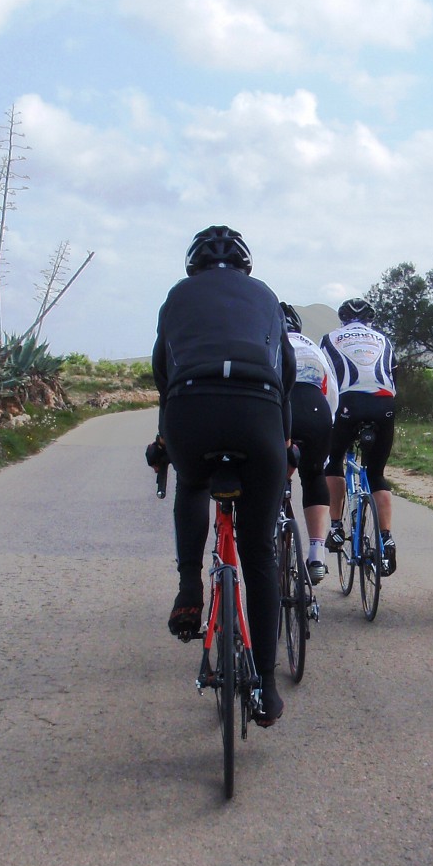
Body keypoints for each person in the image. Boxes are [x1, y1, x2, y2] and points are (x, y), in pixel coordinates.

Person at [152, 225, 296, 727]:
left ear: (193, 266)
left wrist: (165, 443)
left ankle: (190, 588)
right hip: (259, 412)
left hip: (191, 408)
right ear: (245, 266)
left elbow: (162, 372)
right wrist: (284, 444)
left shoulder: (177, 297)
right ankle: (267, 687)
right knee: (258, 554)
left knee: (191, 482)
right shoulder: (267, 298)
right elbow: (288, 372)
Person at [321, 298, 398, 575]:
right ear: (370, 321)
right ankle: (386, 539)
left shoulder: (330, 339)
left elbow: (325, 380)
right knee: (376, 474)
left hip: (347, 403)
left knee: (334, 462)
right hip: (383, 403)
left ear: (343, 320)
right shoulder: (383, 340)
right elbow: (393, 377)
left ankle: (336, 528)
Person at [282, 302, 339, 583]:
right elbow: (333, 397)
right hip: (317, 410)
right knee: (315, 474)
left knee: (270, 476)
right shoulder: (313, 347)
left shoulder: (264, 340)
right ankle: (317, 553)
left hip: (282, 408)